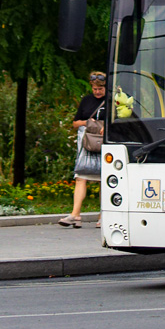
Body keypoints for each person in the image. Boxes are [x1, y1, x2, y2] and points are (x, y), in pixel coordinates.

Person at [59, 71, 105, 228]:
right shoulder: (86, 101)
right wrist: (89, 122)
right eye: (95, 89)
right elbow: (75, 123)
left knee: (104, 180)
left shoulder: (112, 102)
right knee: (81, 176)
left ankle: (103, 216)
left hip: (105, 144)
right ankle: (75, 215)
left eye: (100, 89)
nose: (97, 92)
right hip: (86, 143)